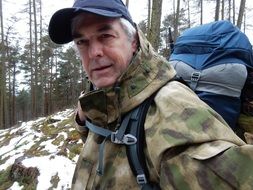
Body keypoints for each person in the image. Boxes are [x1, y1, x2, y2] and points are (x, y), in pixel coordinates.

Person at [48, 0, 253, 189]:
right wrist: (84, 120)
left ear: (134, 40)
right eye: (82, 42)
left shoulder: (171, 112)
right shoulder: (112, 95)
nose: (93, 53)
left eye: (105, 36)